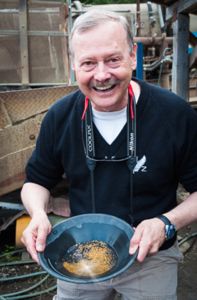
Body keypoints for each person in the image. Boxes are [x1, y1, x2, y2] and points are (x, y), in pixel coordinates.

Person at [21, 9, 197, 300]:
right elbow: (36, 182)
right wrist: (38, 213)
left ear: (132, 55)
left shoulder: (175, 115)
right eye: (88, 63)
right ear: (74, 66)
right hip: (79, 254)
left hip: (150, 258)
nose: (102, 75)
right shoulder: (60, 116)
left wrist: (166, 223)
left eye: (113, 59)